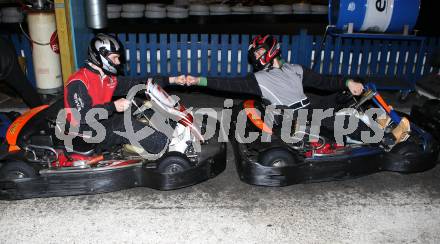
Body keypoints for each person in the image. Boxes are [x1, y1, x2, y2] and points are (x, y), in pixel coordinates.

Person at [184, 34, 409, 144]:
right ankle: (384, 140)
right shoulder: (258, 79)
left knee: (344, 95)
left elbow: (324, 81)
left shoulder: (295, 69)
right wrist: (199, 80)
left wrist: (348, 83)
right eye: (256, 55)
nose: (258, 57)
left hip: (309, 106)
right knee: (337, 121)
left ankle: (376, 120)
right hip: (291, 117)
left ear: (272, 48)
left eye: (261, 52)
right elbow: (227, 84)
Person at [64, 33, 185, 154]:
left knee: (139, 104)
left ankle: (173, 128)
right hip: (82, 135)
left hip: (99, 122)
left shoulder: (107, 78)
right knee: (122, 124)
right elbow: (81, 116)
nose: (117, 62)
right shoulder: (79, 82)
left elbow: (137, 83)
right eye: (114, 58)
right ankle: (167, 148)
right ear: (100, 56)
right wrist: (113, 106)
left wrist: (172, 79)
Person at [0, 37, 43, 108]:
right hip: (5, 50)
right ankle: (42, 112)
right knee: (24, 87)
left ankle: (41, 111)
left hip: (5, 56)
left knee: (23, 86)